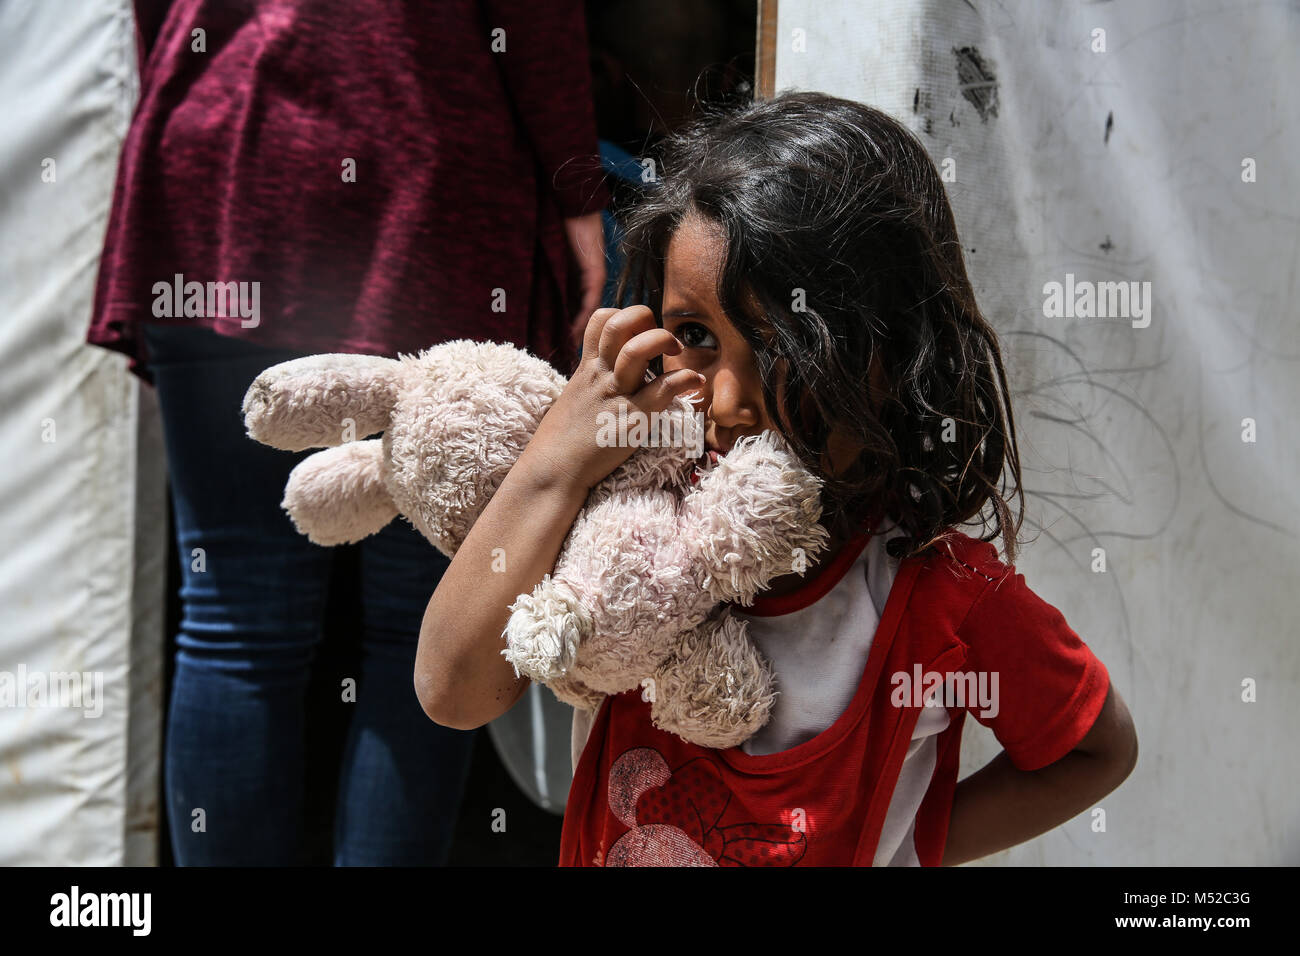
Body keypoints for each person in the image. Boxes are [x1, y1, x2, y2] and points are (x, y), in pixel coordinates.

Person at [416, 91, 1139, 867]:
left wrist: (904, 845)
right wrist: (558, 455)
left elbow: (1095, 750)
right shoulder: (631, 523)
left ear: (890, 355)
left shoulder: (940, 602)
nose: (725, 402)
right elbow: (454, 691)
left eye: (781, 344)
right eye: (693, 335)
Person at [86, 0, 609, 865]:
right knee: (419, 622)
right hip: (427, 158)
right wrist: (576, 184)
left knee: (235, 613)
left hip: (224, 147)